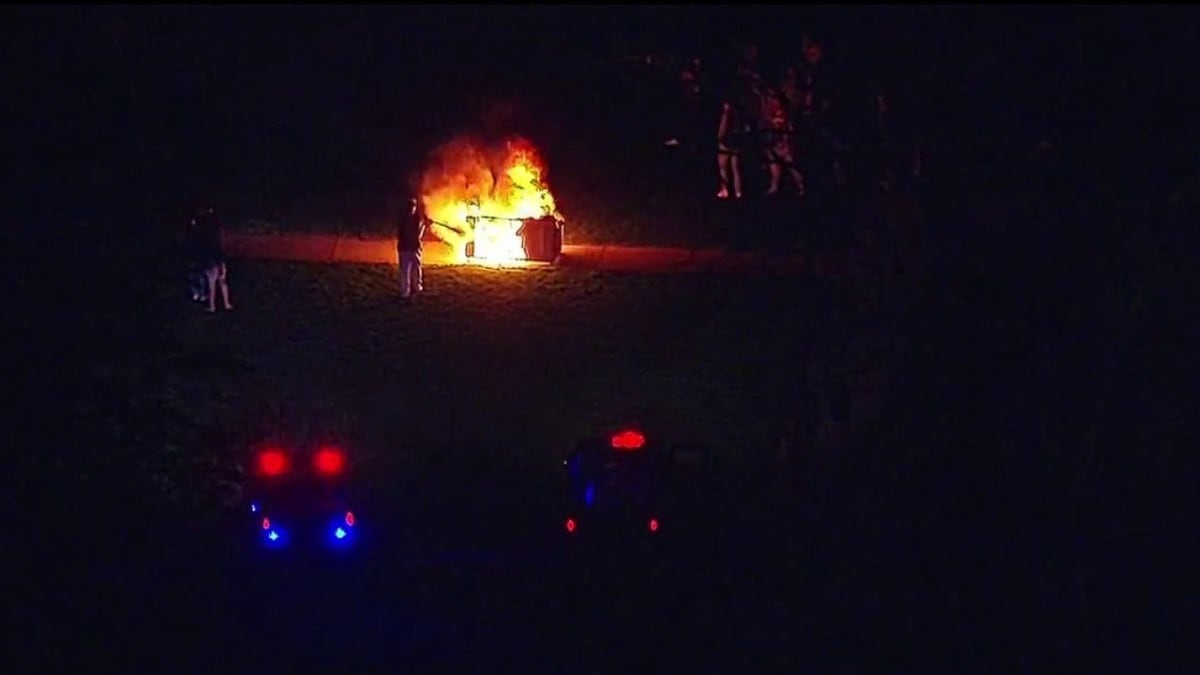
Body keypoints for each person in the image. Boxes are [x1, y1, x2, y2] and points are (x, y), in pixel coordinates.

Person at [194, 206, 233, 313]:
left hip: (211, 259)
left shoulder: (204, 235)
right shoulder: (217, 234)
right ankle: (226, 303)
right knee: (223, 282)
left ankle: (212, 306)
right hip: (219, 258)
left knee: (212, 283)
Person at [396, 196, 426, 299]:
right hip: (407, 248)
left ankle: (416, 287)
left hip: (411, 248)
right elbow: (418, 234)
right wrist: (424, 225)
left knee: (415, 268)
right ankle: (407, 290)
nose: (412, 209)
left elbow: (419, 232)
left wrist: (424, 224)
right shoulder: (411, 220)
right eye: (410, 207)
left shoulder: (412, 219)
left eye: (413, 207)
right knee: (406, 270)